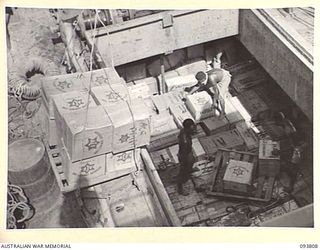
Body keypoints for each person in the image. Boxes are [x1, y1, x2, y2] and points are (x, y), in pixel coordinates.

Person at [177, 119, 197, 196]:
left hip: (188, 152)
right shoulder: (184, 140)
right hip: (184, 155)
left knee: (192, 161)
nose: (194, 130)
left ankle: (189, 169)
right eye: (192, 128)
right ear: (188, 128)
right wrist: (184, 162)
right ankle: (180, 188)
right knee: (183, 171)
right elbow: (184, 152)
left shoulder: (184, 131)